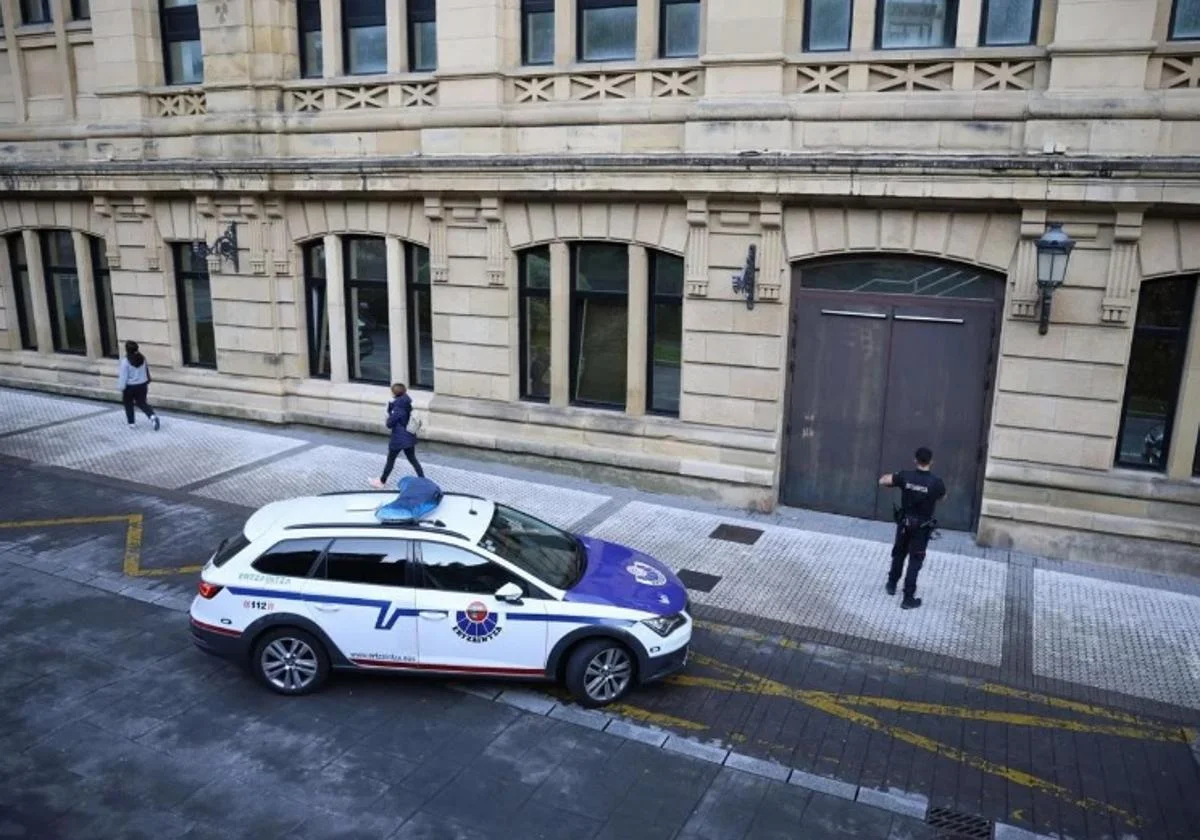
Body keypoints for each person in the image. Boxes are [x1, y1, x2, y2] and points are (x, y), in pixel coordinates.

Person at [878, 446, 945, 610]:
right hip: (921, 529)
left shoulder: (905, 476)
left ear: (915, 460)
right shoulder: (936, 483)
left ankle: (891, 584)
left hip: (904, 524)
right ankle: (908, 598)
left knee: (899, 553)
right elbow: (942, 497)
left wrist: (895, 479)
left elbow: (883, 480)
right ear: (931, 462)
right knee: (915, 561)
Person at [369, 383, 424, 488]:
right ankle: (423, 479)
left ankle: (381, 482)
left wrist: (389, 411)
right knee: (413, 459)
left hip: (398, 439)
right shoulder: (407, 402)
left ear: (394, 393)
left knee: (391, 460)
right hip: (409, 436)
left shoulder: (398, 407)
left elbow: (389, 424)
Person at [117, 341, 160, 431]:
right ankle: (152, 416)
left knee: (128, 404)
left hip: (130, 387)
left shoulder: (125, 361)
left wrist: (121, 387)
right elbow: (145, 371)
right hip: (142, 385)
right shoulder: (142, 359)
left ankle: (131, 423)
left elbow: (123, 376)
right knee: (142, 403)